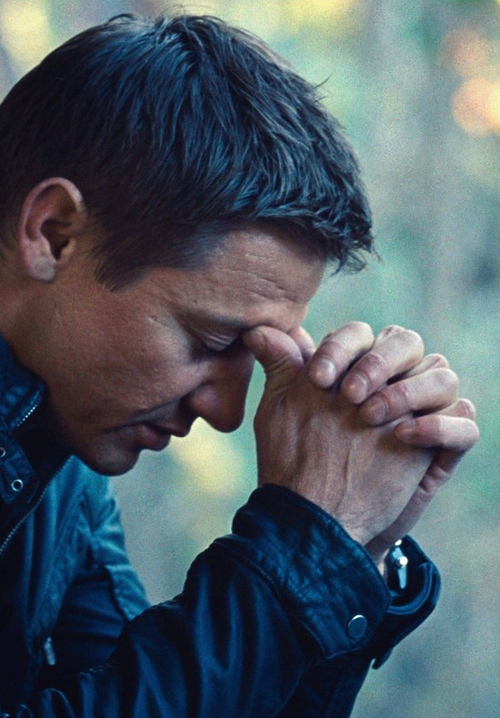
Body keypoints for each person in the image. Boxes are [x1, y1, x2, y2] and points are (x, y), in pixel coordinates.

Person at [0, 13, 478, 718]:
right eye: (209, 341)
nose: (225, 413)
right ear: (54, 233)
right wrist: (300, 552)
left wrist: (352, 549)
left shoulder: (59, 449)